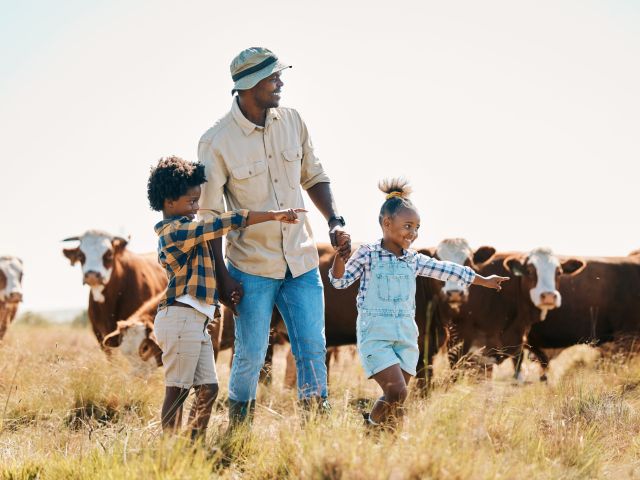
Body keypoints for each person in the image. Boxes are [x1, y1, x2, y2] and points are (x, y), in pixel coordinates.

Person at [198, 47, 350, 428]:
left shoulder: (293, 121)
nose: (280, 82)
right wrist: (222, 275)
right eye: (272, 77)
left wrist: (334, 219)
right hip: (250, 268)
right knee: (250, 353)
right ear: (249, 85)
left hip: (301, 261)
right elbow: (211, 217)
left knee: (313, 348)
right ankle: (238, 429)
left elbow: (313, 175)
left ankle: (315, 428)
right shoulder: (216, 141)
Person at [329, 178, 508, 429]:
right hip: (376, 335)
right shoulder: (367, 253)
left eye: (417, 227)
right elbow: (339, 282)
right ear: (386, 223)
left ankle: (375, 429)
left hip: (406, 337)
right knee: (398, 393)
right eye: (408, 226)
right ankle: (375, 427)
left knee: (396, 399)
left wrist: (483, 280)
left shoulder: (414, 260)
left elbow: (447, 270)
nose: (413, 233)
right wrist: (339, 257)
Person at [147, 156, 304, 439]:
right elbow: (222, 223)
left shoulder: (190, 234)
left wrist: (226, 291)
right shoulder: (176, 233)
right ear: (169, 202)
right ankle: (168, 453)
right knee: (178, 390)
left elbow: (206, 272)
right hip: (181, 319)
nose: (196, 208)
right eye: (191, 202)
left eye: (197, 201)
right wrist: (271, 215)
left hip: (196, 321)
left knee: (209, 388)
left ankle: (193, 449)